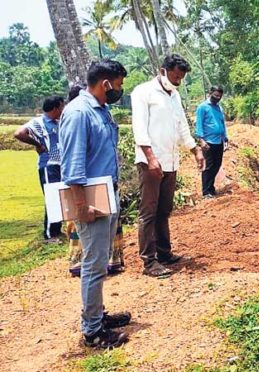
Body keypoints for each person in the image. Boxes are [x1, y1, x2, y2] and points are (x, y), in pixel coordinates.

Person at [59, 59, 131, 349]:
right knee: (94, 263)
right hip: (90, 198)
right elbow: (73, 163)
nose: (118, 91)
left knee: (102, 261)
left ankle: (98, 315)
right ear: (105, 84)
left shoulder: (101, 110)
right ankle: (92, 331)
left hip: (106, 192)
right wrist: (81, 205)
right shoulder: (78, 113)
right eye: (118, 85)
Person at [131, 54, 205, 278]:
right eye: (175, 76)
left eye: (181, 78)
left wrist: (195, 149)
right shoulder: (143, 93)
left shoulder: (174, 95)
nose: (178, 81)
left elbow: (182, 125)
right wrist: (151, 158)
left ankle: (164, 252)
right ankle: (149, 261)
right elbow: (139, 128)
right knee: (148, 212)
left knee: (164, 210)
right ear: (163, 70)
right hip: (151, 162)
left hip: (171, 161)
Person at [13, 96, 65, 243]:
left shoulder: (58, 122)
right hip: (49, 165)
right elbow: (19, 133)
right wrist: (38, 144)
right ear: (55, 108)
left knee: (59, 198)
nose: (62, 110)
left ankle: (56, 229)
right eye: (61, 107)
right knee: (52, 198)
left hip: (61, 164)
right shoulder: (38, 122)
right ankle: (49, 235)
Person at [195, 86, 227, 198]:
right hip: (208, 142)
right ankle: (206, 191)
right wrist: (201, 140)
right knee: (208, 166)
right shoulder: (202, 107)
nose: (217, 98)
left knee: (217, 165)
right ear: (210, 93)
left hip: (219, 141)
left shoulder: (219, 108)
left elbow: (222, 123)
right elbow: (199, 124)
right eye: (216, 95)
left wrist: (225, 137)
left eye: (220, 96)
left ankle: (211, 188)